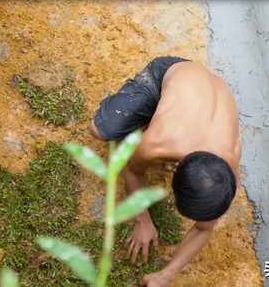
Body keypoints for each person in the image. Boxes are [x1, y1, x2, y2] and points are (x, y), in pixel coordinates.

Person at [89, 56, 242, 287]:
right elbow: (131, 171)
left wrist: (166, 275)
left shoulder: (228, 165)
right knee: (101, 130)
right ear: (175, 169)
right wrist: (143, 221)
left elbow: (205, 227)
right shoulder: (159, 145)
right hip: (172, 73)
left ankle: (167, 106)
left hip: (210, 90)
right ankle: (158, 102)